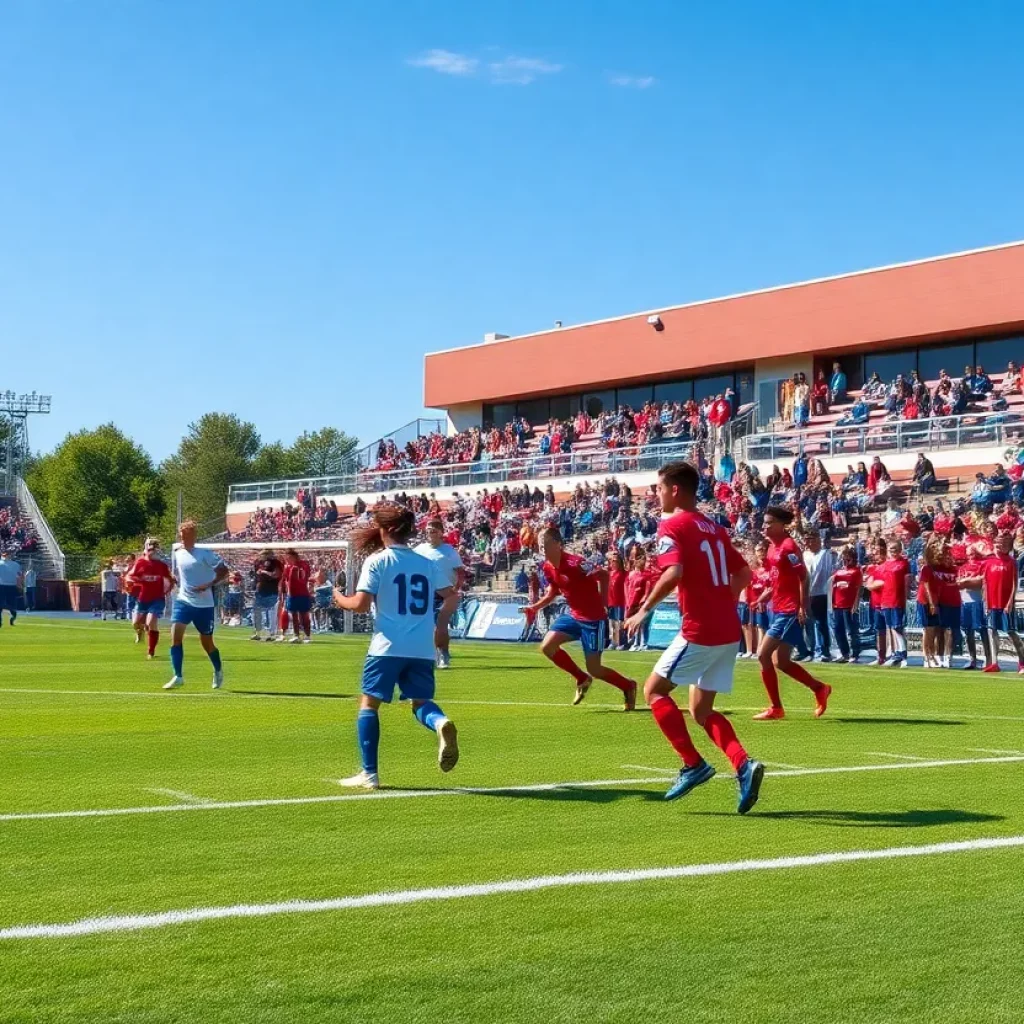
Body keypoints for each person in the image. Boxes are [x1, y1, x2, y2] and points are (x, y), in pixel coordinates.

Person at [623, 461, 764, 812]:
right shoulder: (713, 528)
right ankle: (743, 766)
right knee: (701, 710)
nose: (655, 494)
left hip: (700, 629)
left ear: (674, 489)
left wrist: (644, 609)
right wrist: (723, 598)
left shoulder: (672, 524)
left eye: (658, 488)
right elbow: (744, 573)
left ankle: (692, 763)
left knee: (654, 690)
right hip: (727, 630)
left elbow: (674, 572)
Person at [332, 503, 460, 791]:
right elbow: (452, 596)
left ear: (387, 530)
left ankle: (370, 774)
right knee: (421, 703)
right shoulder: (426, 562)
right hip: (421, 648)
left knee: (369, 704)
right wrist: (440, 625)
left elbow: (361, 605)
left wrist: (339, 597)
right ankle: (441, 723)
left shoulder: (379, 561)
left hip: (387, 646)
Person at [524, 528, 637, 710]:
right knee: (547, 646)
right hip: (573, 615)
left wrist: (604, 602)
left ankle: (628, 686)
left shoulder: (576, 563)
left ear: (558, 544)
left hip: (593, 620)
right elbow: (553, 591)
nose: (542, 548)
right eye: (540, 544)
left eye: (546, 544)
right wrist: (535, 607)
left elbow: (604, 575)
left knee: (595, 669)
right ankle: (581, 678)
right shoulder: (547, 567)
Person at [751, 506, 832, 720]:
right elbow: (776, 579)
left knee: (762, 654)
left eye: (769, 523)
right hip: (776, 607)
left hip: (788, 610)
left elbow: (803, 577)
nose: (765, 526)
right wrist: (765, 595)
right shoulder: (771, 548)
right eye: (764, 522)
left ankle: (776, 707)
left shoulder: (789, 547)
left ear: (781, 525)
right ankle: (819, 688)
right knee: (781, 662)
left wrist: (802, 606)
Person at [165, 520, 229, 690]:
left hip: (204, 605)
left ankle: (218, 670)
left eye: (186, 535)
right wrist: (173, 579)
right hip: (183, 600)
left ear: (193, 536)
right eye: (181, 535)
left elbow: (224, 570)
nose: (183, 538)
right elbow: (177, 572)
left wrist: (209, 584)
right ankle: (178, 675)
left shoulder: (204, 554)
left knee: (207, 643)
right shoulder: (177, 552)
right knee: (175, 636)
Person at [413, 518, 466, 669]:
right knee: (422, 626)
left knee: (440, 625)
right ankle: (428, 654)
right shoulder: (419, 549)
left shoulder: (449, 551)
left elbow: (460, 572)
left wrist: (457, 588)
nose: (430, 533)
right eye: (428, 531)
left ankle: (443, 653)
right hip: (423, 592)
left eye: (433, 531)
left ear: (441, 533)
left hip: (445, 593)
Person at [124, 538, 173, 659]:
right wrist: (130, 581)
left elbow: (169, 580)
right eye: (149, 549)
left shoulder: (162, 565)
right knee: (135, 623)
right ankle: (140, 632)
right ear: (145, 549)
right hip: (143, 598)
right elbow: (130, 576)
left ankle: (151, 651)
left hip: (157, 598)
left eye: (154, 549)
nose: (151, 551)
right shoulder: (140, 563)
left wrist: (167, 589)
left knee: (151, 622)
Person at [983, 531, 1024, 673]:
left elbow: (1014, 584)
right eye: (998, 543)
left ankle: (1022, 662)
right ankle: (994, 663)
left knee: (1011, 632)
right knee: (991, 631)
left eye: (1003, 543)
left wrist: (1009, 602)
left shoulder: (1012, 562)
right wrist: (986, 602)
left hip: (1005, 602)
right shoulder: (988, 561)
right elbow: (985, 583)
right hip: (992, 603)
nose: (1000, 546)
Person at [803, 530, 836, 661]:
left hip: (820, 592)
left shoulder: (826, 554)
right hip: (806, 593)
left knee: (821, 623)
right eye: (807, 540)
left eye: (811, 539)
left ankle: (824, 650)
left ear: (818, 539)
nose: (808, 542)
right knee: (808, 622)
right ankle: (810, 649)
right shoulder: (804, 554)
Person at [957, 546, 992, 671]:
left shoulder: (981, 565)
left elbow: (981, 581)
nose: (971, 555)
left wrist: (967, 581)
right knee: (968, 631)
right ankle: (973, 659)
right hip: (965, 601)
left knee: (982, 630)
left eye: (973, 553)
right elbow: (959, 584)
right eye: (969, 553)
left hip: (978, 601)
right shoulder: (963, 568)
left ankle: (989, 658)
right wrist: (966, 582)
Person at [830, 546, 862, 663]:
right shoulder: (838, 571)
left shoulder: (857, 571)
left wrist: (856, 603)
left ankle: (855, 653)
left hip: (849, 605)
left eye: (848, 559)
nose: (846, 562)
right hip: (837, 605)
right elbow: (832, 584)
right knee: (838, 630)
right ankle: (845, 653)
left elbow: (859, 588)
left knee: (852, 631)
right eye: (844, 559)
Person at [863, 539, 888, 665]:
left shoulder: (888, 566)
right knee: (879, 631)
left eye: (878, 552)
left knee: (891, 630)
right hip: (875, 603)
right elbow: (869, 585)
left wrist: (876, 584)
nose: (875, 555)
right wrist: (877, 584)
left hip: (887, 603)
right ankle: (880, 656)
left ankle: (893, 654)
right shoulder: (872, 568)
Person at [250, 549, 283, 641]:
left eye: (264, 554)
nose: (262, 557)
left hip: (271, 591)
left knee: (270, 613)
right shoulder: (258, 562)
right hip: (259, 590)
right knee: (256, 612)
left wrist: (264, 572)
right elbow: (257, 576)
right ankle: (258, 632)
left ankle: (271, 633)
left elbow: (276, 575)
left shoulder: (276, 563)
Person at [282, 548, 313, 643]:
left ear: (294, 557)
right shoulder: (288, 567)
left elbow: (306, 576)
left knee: (304, 615)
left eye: (288, 558)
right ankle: (296, 635)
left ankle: (307, 635)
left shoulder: (303, 565)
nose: (287, 560)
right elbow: (286, 580)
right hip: (292, 594)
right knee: (294, 615)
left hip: (303, 593)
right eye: (286, 558)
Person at [605, 550, 627, 650]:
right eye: (612, 561)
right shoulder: (609, 573)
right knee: (612, 623)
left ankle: (620, 642)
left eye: (616, 561)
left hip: (620, 602)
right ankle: (613, 641)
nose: (614, 563)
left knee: (619, 622)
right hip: (610, 602)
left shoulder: (624, 573)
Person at [0, 551, 22, 627]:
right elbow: (19, 577)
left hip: (2, 585)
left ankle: (0, 621)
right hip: (12, 586)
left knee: (1, 604)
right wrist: (20, 586)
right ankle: (12, 618)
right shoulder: (16, 565)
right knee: (12, 604)